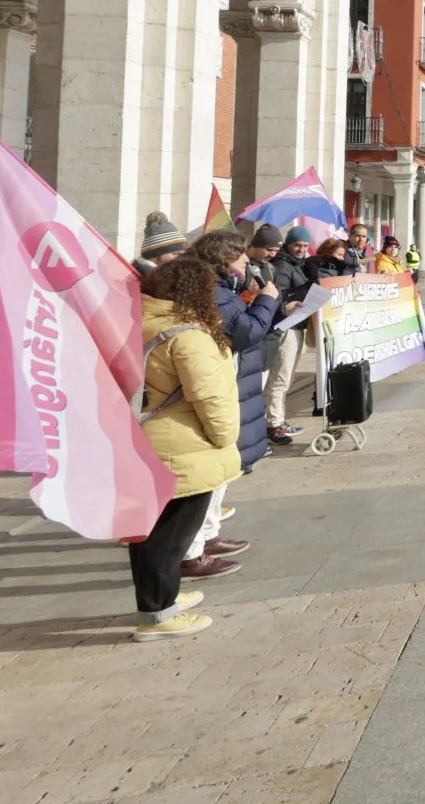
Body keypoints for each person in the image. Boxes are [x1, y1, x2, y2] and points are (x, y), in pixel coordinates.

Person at [132, 260, 244, 640]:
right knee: (170, 535)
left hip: (153, 437)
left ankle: (162, 602)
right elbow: (210, 396)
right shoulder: (188, 334)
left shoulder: (144, 322)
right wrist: (225, 438)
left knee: (154, 532)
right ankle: (158, 615)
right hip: (184, 444)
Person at [188, 231, 280, 578]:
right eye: (241, 258)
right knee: (210, 470)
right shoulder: (212, 290)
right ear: (224, 259)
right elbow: (245, 331)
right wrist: (267, 299)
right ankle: (193, 549)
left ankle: (208, 535)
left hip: (234, 379)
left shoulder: (223, 288)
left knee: (222, 469)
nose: (247, 263)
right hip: (221, 382)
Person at [264, 225, 319, 444]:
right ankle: (273, 424)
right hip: (286, 326)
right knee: (281, 376)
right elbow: (280, 294)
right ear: (288, 244)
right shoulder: (283, 265)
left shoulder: (299, 263)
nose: (301, 249)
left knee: (286, 376)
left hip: (297, 325)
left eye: (305, 246)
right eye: (297, 245)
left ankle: (277, 418)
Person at [134, 211, 188, 277]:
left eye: (183, 253)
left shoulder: (158, 273)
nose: (181, 257)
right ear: (155, 253)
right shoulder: (150, 277)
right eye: (175, 253)